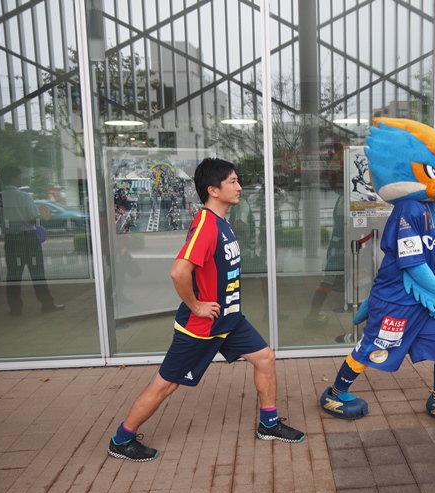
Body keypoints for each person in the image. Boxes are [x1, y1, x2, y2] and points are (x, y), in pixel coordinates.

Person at [108, 157, 305, 463]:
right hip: (201, 327)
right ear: (213, 190)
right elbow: (178, 272)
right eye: (232, 182)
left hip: (230, 320)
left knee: (265, 358)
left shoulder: (221, 222)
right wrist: (196, 306)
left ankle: (268, 424)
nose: (239, 187)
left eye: (238, 181)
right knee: (165, 385)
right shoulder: (206, 225)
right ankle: (121, 440)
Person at [319, 118, 435, 427]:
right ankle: (335, 393)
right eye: (434, 172)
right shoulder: (407, 210)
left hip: (427, 302)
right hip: (399, 299)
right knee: (371, 348)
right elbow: (411, 262)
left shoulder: (434, 206)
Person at [0, 165, 65, 315]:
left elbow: (0, 219)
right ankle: (47, 304)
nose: (21, 179)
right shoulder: (25, 197)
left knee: (13, 275)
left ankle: (15, 308)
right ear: (14, 178)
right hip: (28, 238)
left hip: (11, 240)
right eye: (19, 177)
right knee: (37, 272)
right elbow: (33, 218)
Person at [302, 169, 345, 328]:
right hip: (341, 248)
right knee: (328, 282)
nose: (334, 184)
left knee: (358, 282)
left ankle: (313, 315)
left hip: (340, 247)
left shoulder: (343, 198)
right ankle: (313, 316)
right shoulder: (345, 199)